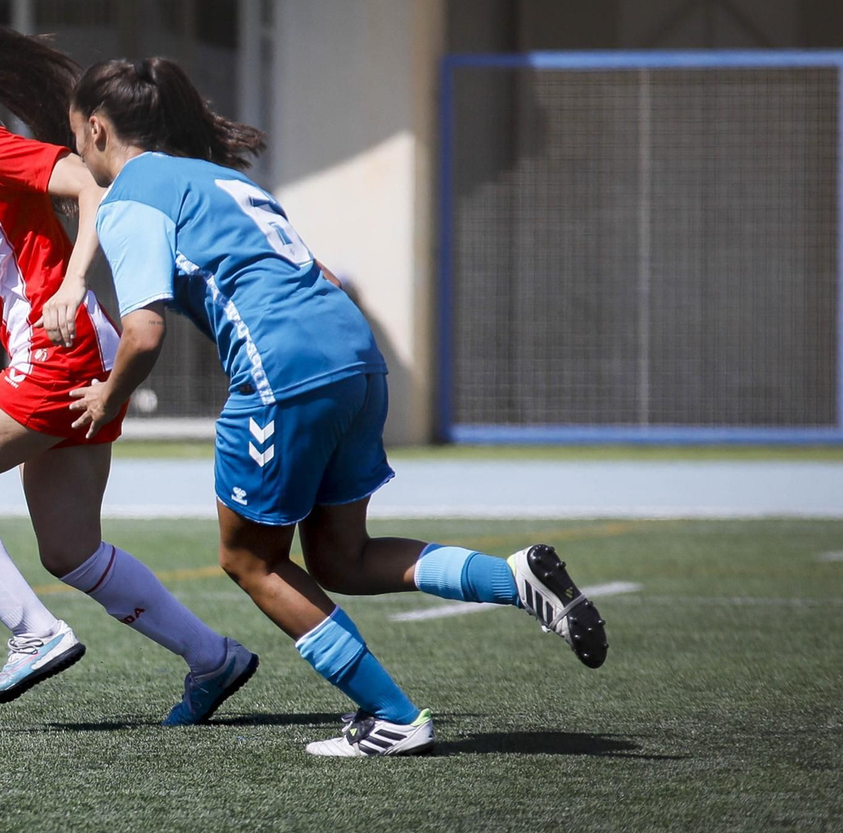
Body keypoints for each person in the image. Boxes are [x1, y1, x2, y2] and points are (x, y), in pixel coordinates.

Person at [67, 57, 609, 757]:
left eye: (74, 134)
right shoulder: (226, 180)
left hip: (283, 371)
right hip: (355, 356)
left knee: (251, 560)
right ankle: (513, 579)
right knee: (341, 558)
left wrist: (108, 396)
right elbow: (318, 274)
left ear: (97, 128)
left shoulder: (129, 198)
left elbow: (143, 332)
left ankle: (393, 716)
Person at [0, 12, 256, 721]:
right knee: (70, 551)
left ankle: (34, 634)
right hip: (68, 353)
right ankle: (213, 657)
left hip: (62, 352)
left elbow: (95, 188)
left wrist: (72, 282)